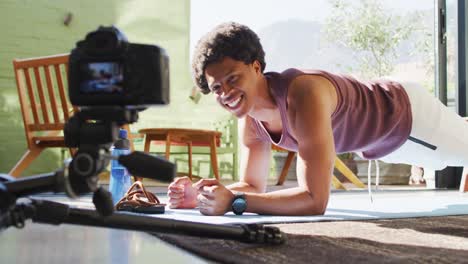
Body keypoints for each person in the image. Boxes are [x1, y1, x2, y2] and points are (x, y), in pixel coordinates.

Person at [167, 22, 468, 216]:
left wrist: (233, 203)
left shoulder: (303, 93)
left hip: (408, 117)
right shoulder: (250, 118)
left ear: (256, 67)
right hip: (381, 142)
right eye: (217, 87)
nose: (226, 93)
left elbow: (314, 200)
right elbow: (252, 185)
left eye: (233, 78)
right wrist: (204, 196)